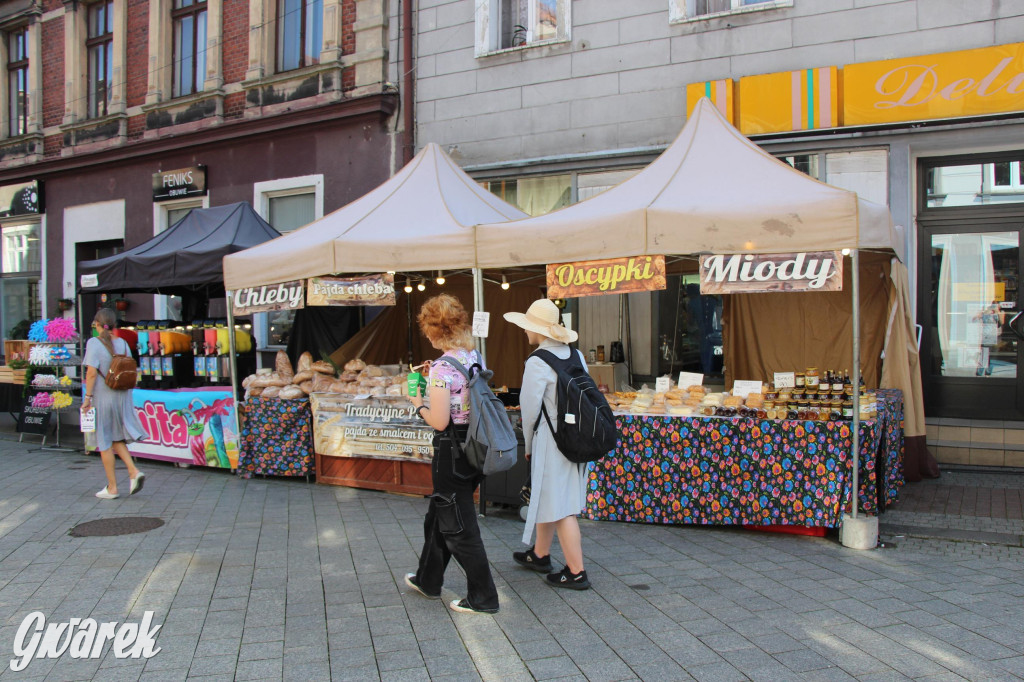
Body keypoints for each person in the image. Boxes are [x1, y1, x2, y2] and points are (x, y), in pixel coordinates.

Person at [405, 294, 500, 614]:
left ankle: (484, 597)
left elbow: (439, 420)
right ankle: (428, 580)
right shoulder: (473, 357)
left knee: (457, 525)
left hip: (451, 449)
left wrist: (417, 400)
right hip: (475, 444)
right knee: (440, 514)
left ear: (433, 330)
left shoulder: (443, 368)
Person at [504, 299, 591, 590]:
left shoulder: (537, 361)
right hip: (575, 438)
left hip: (551, 441)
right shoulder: (575, 355)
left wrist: (528, 445)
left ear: (538, 330)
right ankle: (540, 554)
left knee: (562, 506)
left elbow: (528, 412)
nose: (524, 331)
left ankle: (576, 572)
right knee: (550, 495)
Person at [82, 308, 147, 499]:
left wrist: (87, 398)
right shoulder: (124, 343)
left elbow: (91, 373)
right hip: (122, 396)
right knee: (116, 438)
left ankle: (112, 487)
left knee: (104, 441)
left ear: (97, 324)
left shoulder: (94, 343)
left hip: (104, 397)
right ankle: (133, 471)